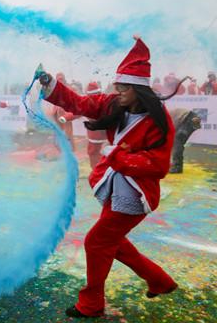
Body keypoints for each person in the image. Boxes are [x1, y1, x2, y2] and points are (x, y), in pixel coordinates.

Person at [39, 35, 178, 318]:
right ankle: (159, 281)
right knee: (111, 242)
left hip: (136, 194)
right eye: (118, 86)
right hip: (114, 188)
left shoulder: (159, 121)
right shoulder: (115, 104)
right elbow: (79, 103)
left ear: (139, 89)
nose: (118, 91)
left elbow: (158, 166)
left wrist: (116, 155)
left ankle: (91, 304)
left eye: (124, 87)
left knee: (96, 242)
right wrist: (51, 85)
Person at [168, 108, 201, 174]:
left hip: (187, 119)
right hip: (190, 118)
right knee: (178, 142)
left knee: (177, 142)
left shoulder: (160, 119)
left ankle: (176, 167)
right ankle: (177, 166)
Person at [84, 82, 108, 169]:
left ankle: (100, 172)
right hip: (95, 135)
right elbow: (77, 112)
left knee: (100, 153)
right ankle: (97, 171)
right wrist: (65, 117)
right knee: (94, 153)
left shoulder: (105, 102)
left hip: (102, 135)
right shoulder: (87, 104)